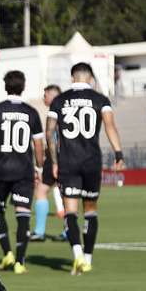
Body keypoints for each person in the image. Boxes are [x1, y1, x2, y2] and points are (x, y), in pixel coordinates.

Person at [46, 63, 125, 274]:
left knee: (70, 211)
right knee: (90, 210)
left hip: (68, 162)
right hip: (91, 162)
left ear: (73, 78)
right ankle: (88, 259)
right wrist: (119, 154)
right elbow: (110, 126)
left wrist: (54, 162)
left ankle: (77, 255)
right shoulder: (101, 99)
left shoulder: (58, 100)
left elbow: (49, 132)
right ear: (90, 78)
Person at [0, 71, 45, 274]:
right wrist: (40, 167)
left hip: (0, 171)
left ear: (5, 86)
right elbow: (39, 145)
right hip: (24, 171)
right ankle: (20, 262)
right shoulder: (31, 112)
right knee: (23, 215)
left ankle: (7, 253)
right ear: (23, 87)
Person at [30, 85, 66, 242]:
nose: (44, 98)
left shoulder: (55, 112)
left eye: (45, 95)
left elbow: (53, 137)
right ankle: (67, 231)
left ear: (52, 96)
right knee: (65, 193)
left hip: (56, 158)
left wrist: (51, 159)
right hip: (65, 157)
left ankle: (39, 231)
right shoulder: (66, 109)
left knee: (42, 191)